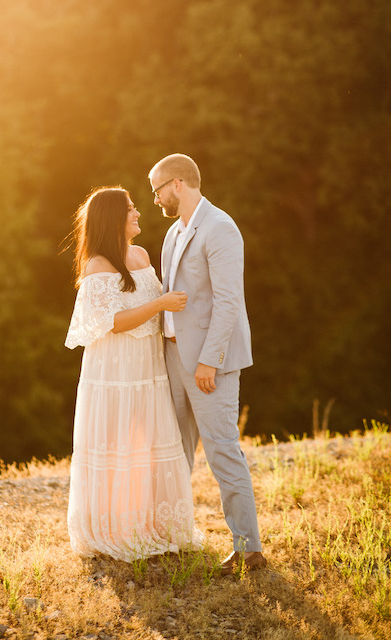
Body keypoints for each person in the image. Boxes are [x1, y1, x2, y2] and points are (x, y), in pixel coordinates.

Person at [64, 186, 199, 560]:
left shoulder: (139, 254)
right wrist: (160, 303)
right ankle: (116, 527)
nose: (138, 212)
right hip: (116, 370)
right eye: (129, 208)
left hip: (147, 365)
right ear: (112, 218)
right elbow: (113, 321)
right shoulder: (98, 265)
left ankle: (154, 522)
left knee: (149, 443)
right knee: (119, 442)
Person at [148, 153, 266, 575]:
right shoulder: (172, 233)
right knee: (175, 449)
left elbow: (229, 302)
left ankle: (249, 549)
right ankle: (173, 536)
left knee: (221, 450)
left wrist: (209, 362)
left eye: (157, 189)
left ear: (177, 184)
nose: (155, 198)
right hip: (172, 355)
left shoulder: (220, 228)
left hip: (206, 363)